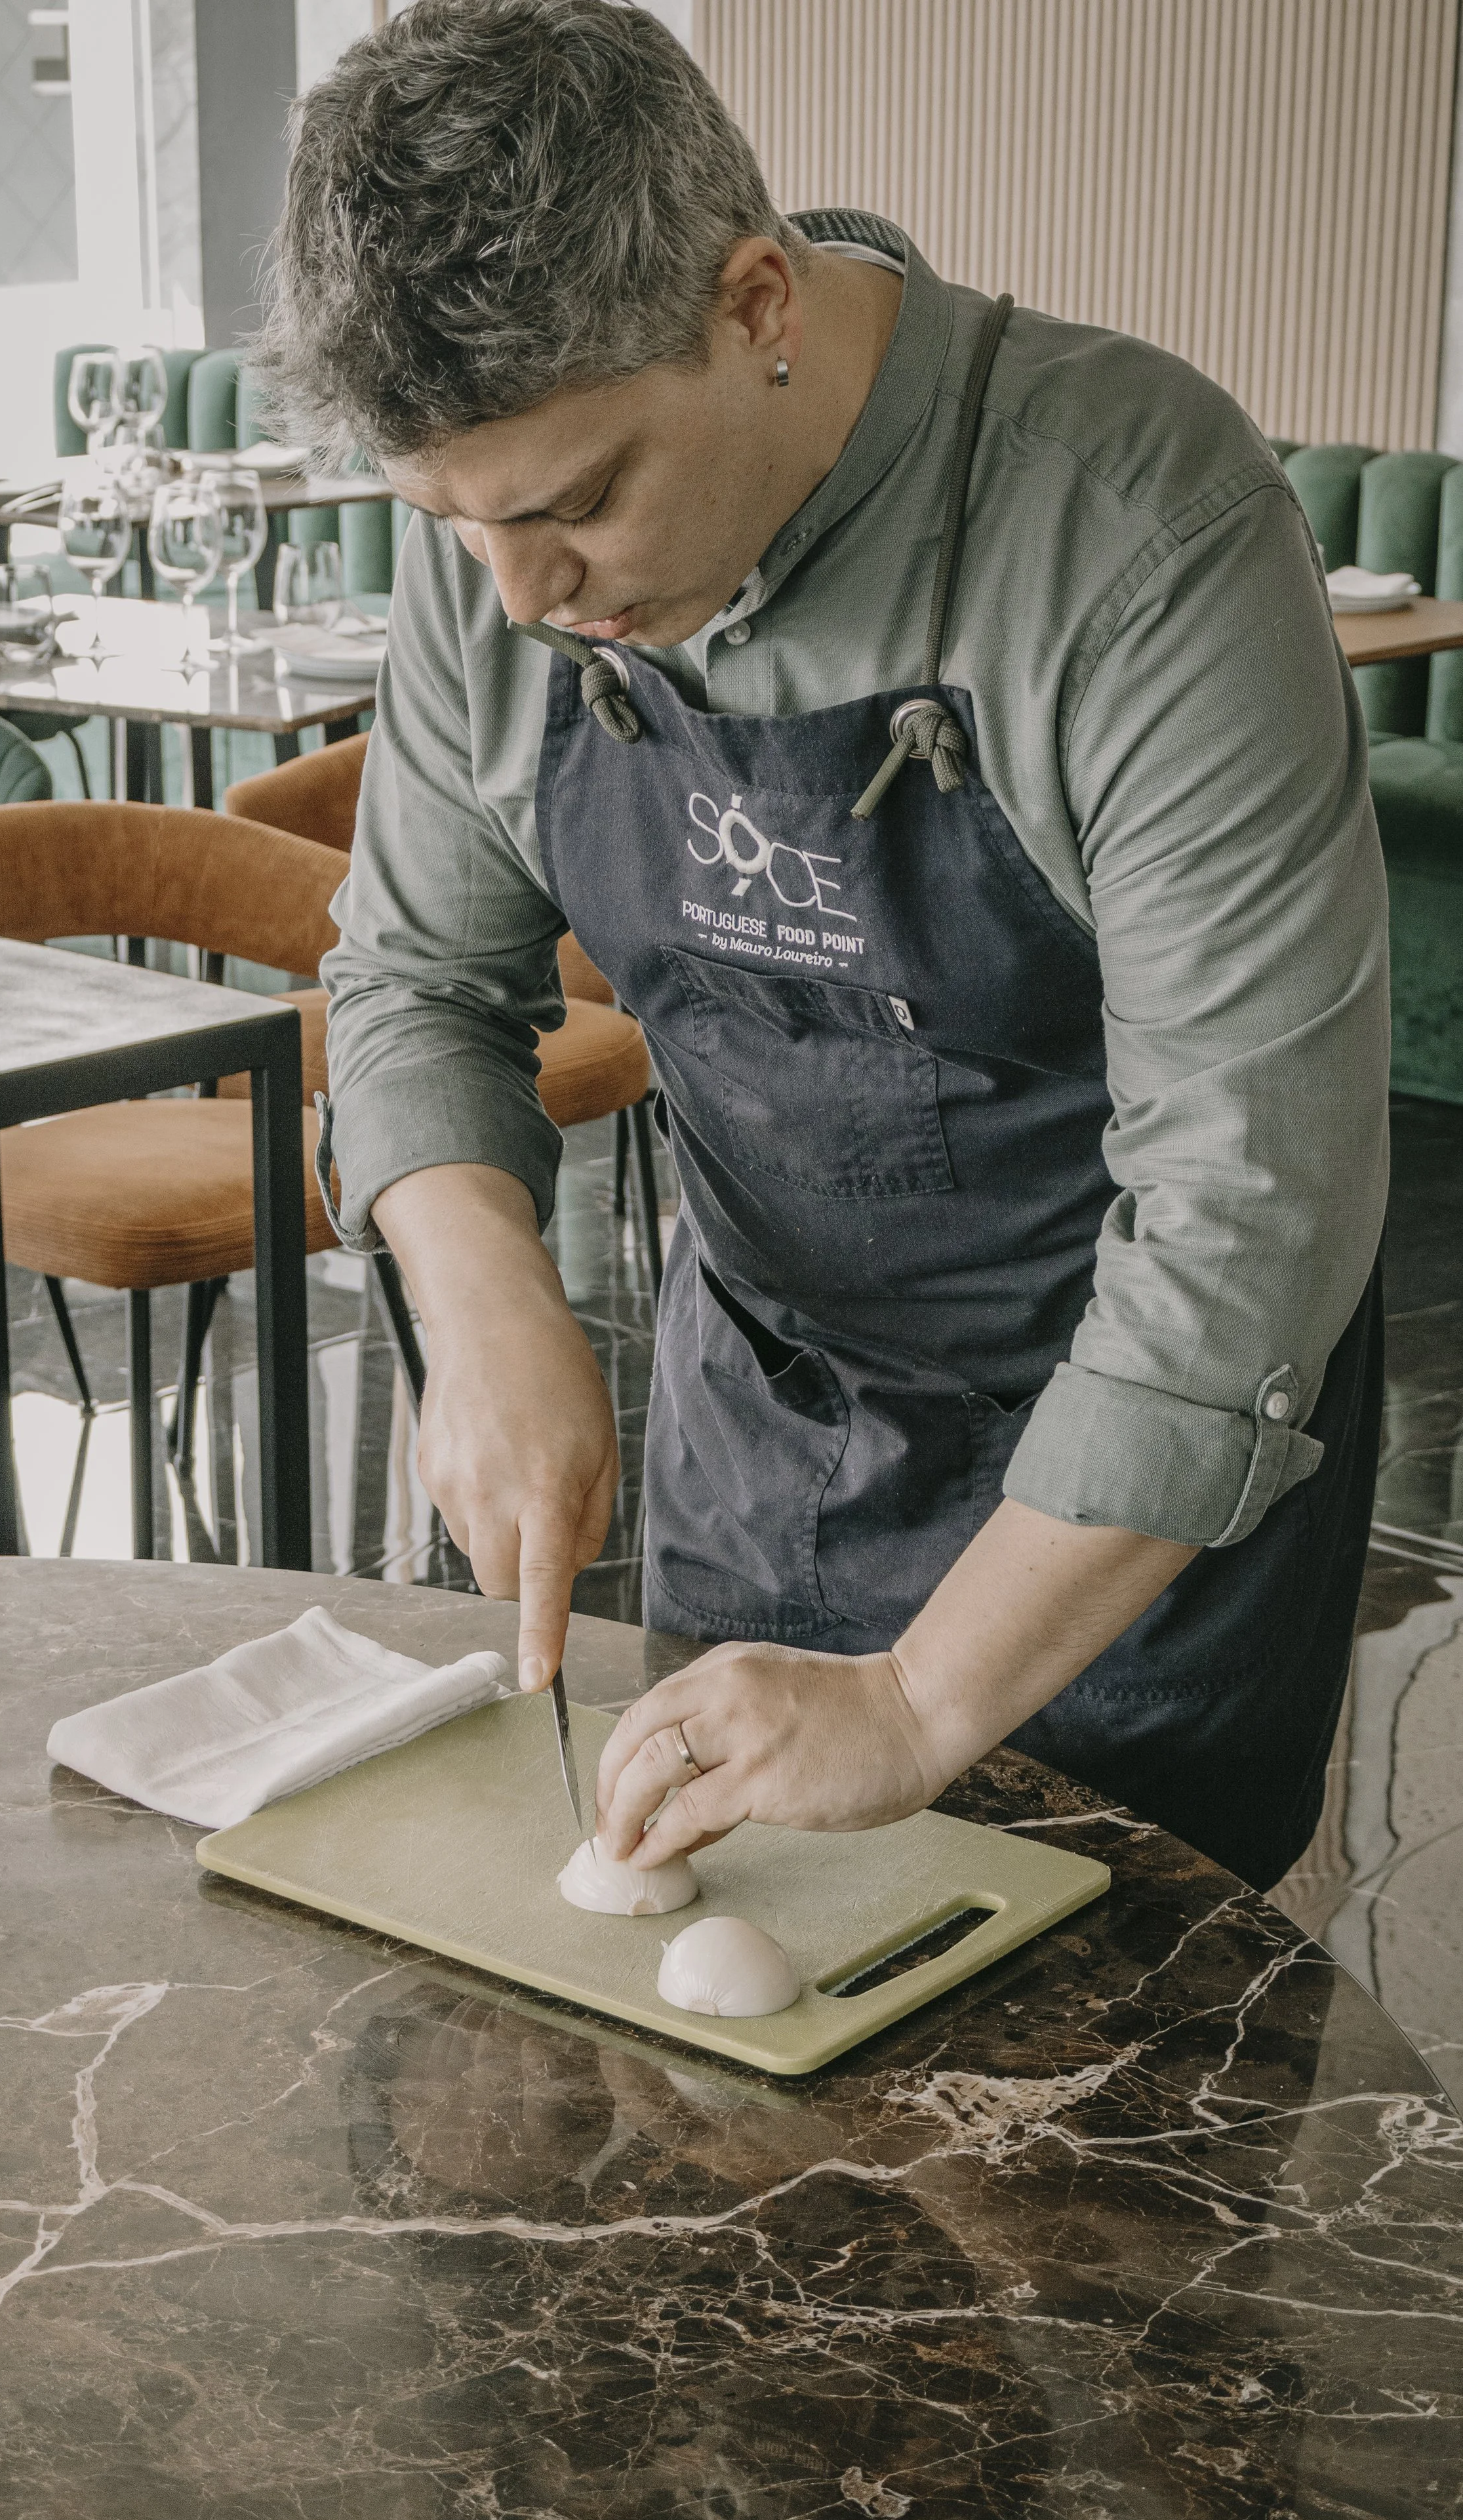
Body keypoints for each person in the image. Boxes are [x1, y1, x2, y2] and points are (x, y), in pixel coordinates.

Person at [261, 0, 1388, 1894]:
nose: (517, 599)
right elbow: (417, 980)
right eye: (444, 524)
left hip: (1127, 1500)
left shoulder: (1130, 521)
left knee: (1094, 2130)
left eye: (574, 505)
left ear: (757, 307)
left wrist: (926, 1699)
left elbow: (1251, 1209)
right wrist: (482, 1297)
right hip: (769, 1425)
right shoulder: (501, 553)